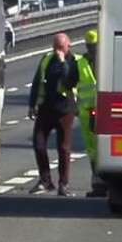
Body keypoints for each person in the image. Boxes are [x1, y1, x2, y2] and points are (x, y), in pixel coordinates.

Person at [28, 31, 84, 194]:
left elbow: (69, 81)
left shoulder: (74, 61)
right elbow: (37, 81)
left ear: (68, 46)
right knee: (39, 144)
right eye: (55, 47)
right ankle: (45, 180)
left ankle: (63, 184)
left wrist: (62, 62)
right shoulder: (46, 59)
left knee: (64, 148)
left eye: (61, 47)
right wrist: (32, 104)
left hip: (65, 110)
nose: (58, 51)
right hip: (46, 109)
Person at [79, 30, 105, 197]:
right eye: (90, 46)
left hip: (98, 109)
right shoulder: (83, 62)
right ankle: (98, 184)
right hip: (89, 110)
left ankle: (101, 183)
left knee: (99, 147)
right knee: (93, 148)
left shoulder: (105, 57)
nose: (91, 49)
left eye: (93, 46)